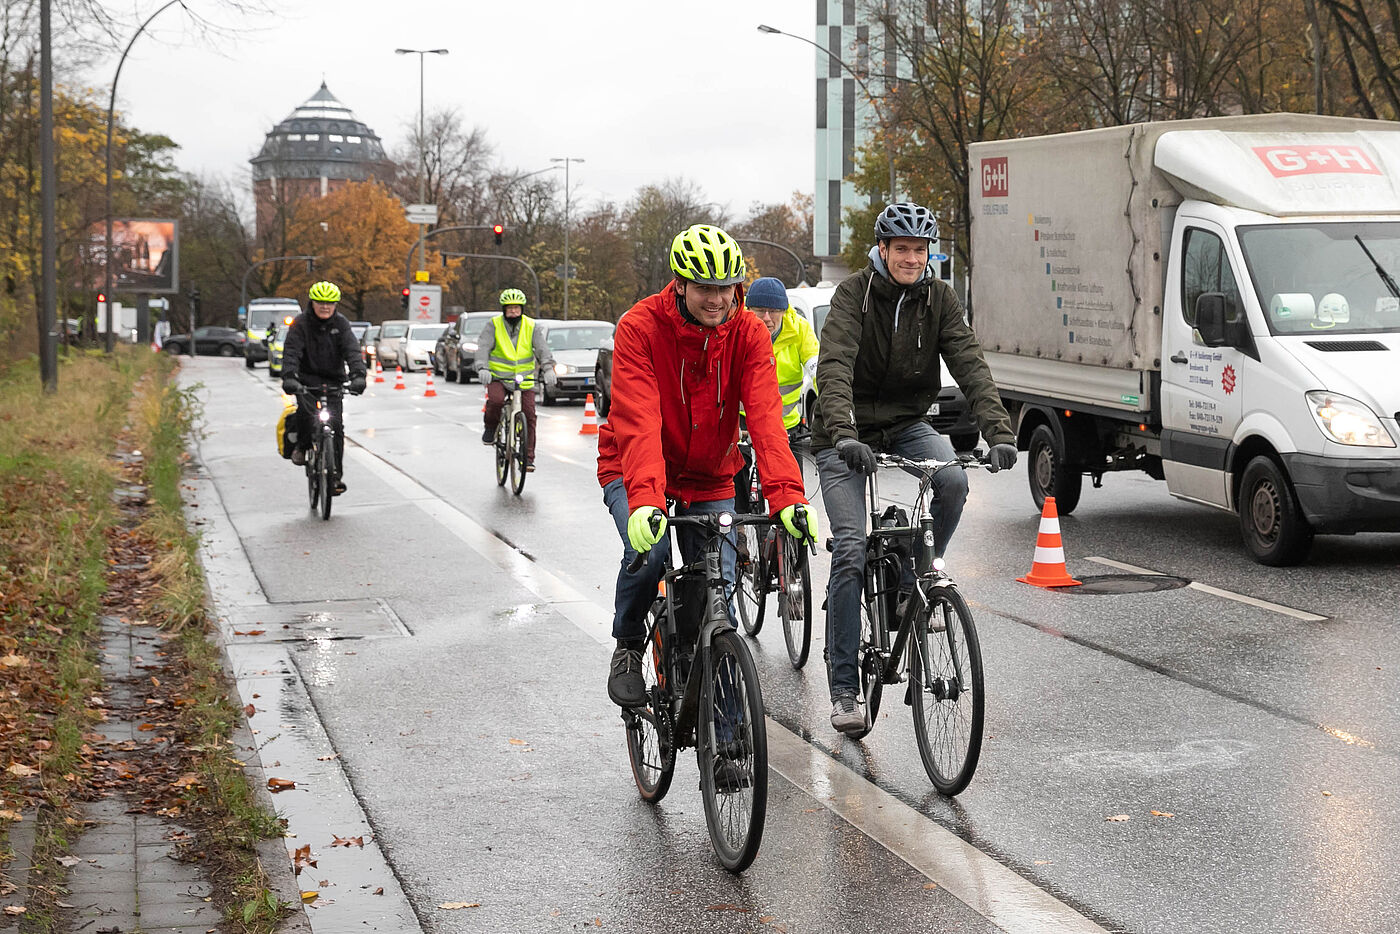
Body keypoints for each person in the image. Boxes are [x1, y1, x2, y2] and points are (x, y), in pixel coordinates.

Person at [813, 202, 1018, 735]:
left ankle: (909, 585)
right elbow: (834, 367)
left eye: (919, 250)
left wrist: (999, 432)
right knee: (852, 547)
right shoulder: (853, 295)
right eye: (901, 249)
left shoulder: (938, 298)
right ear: (882, 250)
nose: (910, 258)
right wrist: (843, 434)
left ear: (929, 254)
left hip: (907, 421)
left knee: (952, 479)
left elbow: (969, 362)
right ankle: (843, 689)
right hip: (846, 431)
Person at [598, 224, 819, 712]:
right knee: (651, 552)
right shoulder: (639, 328)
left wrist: (788, 496)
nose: (718, 298)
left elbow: (764, 418)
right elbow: (637, 423)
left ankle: (726, 736)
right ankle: (629, 643)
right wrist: (647, 502)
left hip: (711, 471)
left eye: (727, 287)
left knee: (712, 592)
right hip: (634, 466)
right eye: (705, 287)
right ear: (679, 284)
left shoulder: (749, 333)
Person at [733, 276, 820, 513]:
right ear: (747, 309)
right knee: (734, 471)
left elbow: (819, 372)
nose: (767, 318)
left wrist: (833, 411)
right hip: (741, 420)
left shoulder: (800, 330)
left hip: (785, 425)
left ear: (785, 310)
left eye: (774, 311)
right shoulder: (736, 328)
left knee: (794, 490)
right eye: (760, 310)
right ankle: (739, 527)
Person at [280, 281, 367, 494]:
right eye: (321, 302)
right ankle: (302, 447)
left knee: (336, 426)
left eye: (330, 303)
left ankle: (335, 476)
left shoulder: (342, 324)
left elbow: (352, 351)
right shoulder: (300, 324)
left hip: (334, 380)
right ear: (313, 303)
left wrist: (358, 375)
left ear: (336, 304)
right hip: (306, 380)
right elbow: (291, 352)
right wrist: (290, 377)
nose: (325, 307)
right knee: (306, 415)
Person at [475, 288, 555, 472]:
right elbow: (483, 347)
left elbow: (542, 349)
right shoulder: (493, 325)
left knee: (530, 414)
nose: (513, 311)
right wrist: (482, 368)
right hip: (498, 376)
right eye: (510, 308)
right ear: (504, 309)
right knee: (495, 401)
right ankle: (490, 427)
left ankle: (528, 459)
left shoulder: (531, 325)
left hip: (524, 379)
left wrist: (549, 368)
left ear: (522, 309)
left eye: (516, 308)